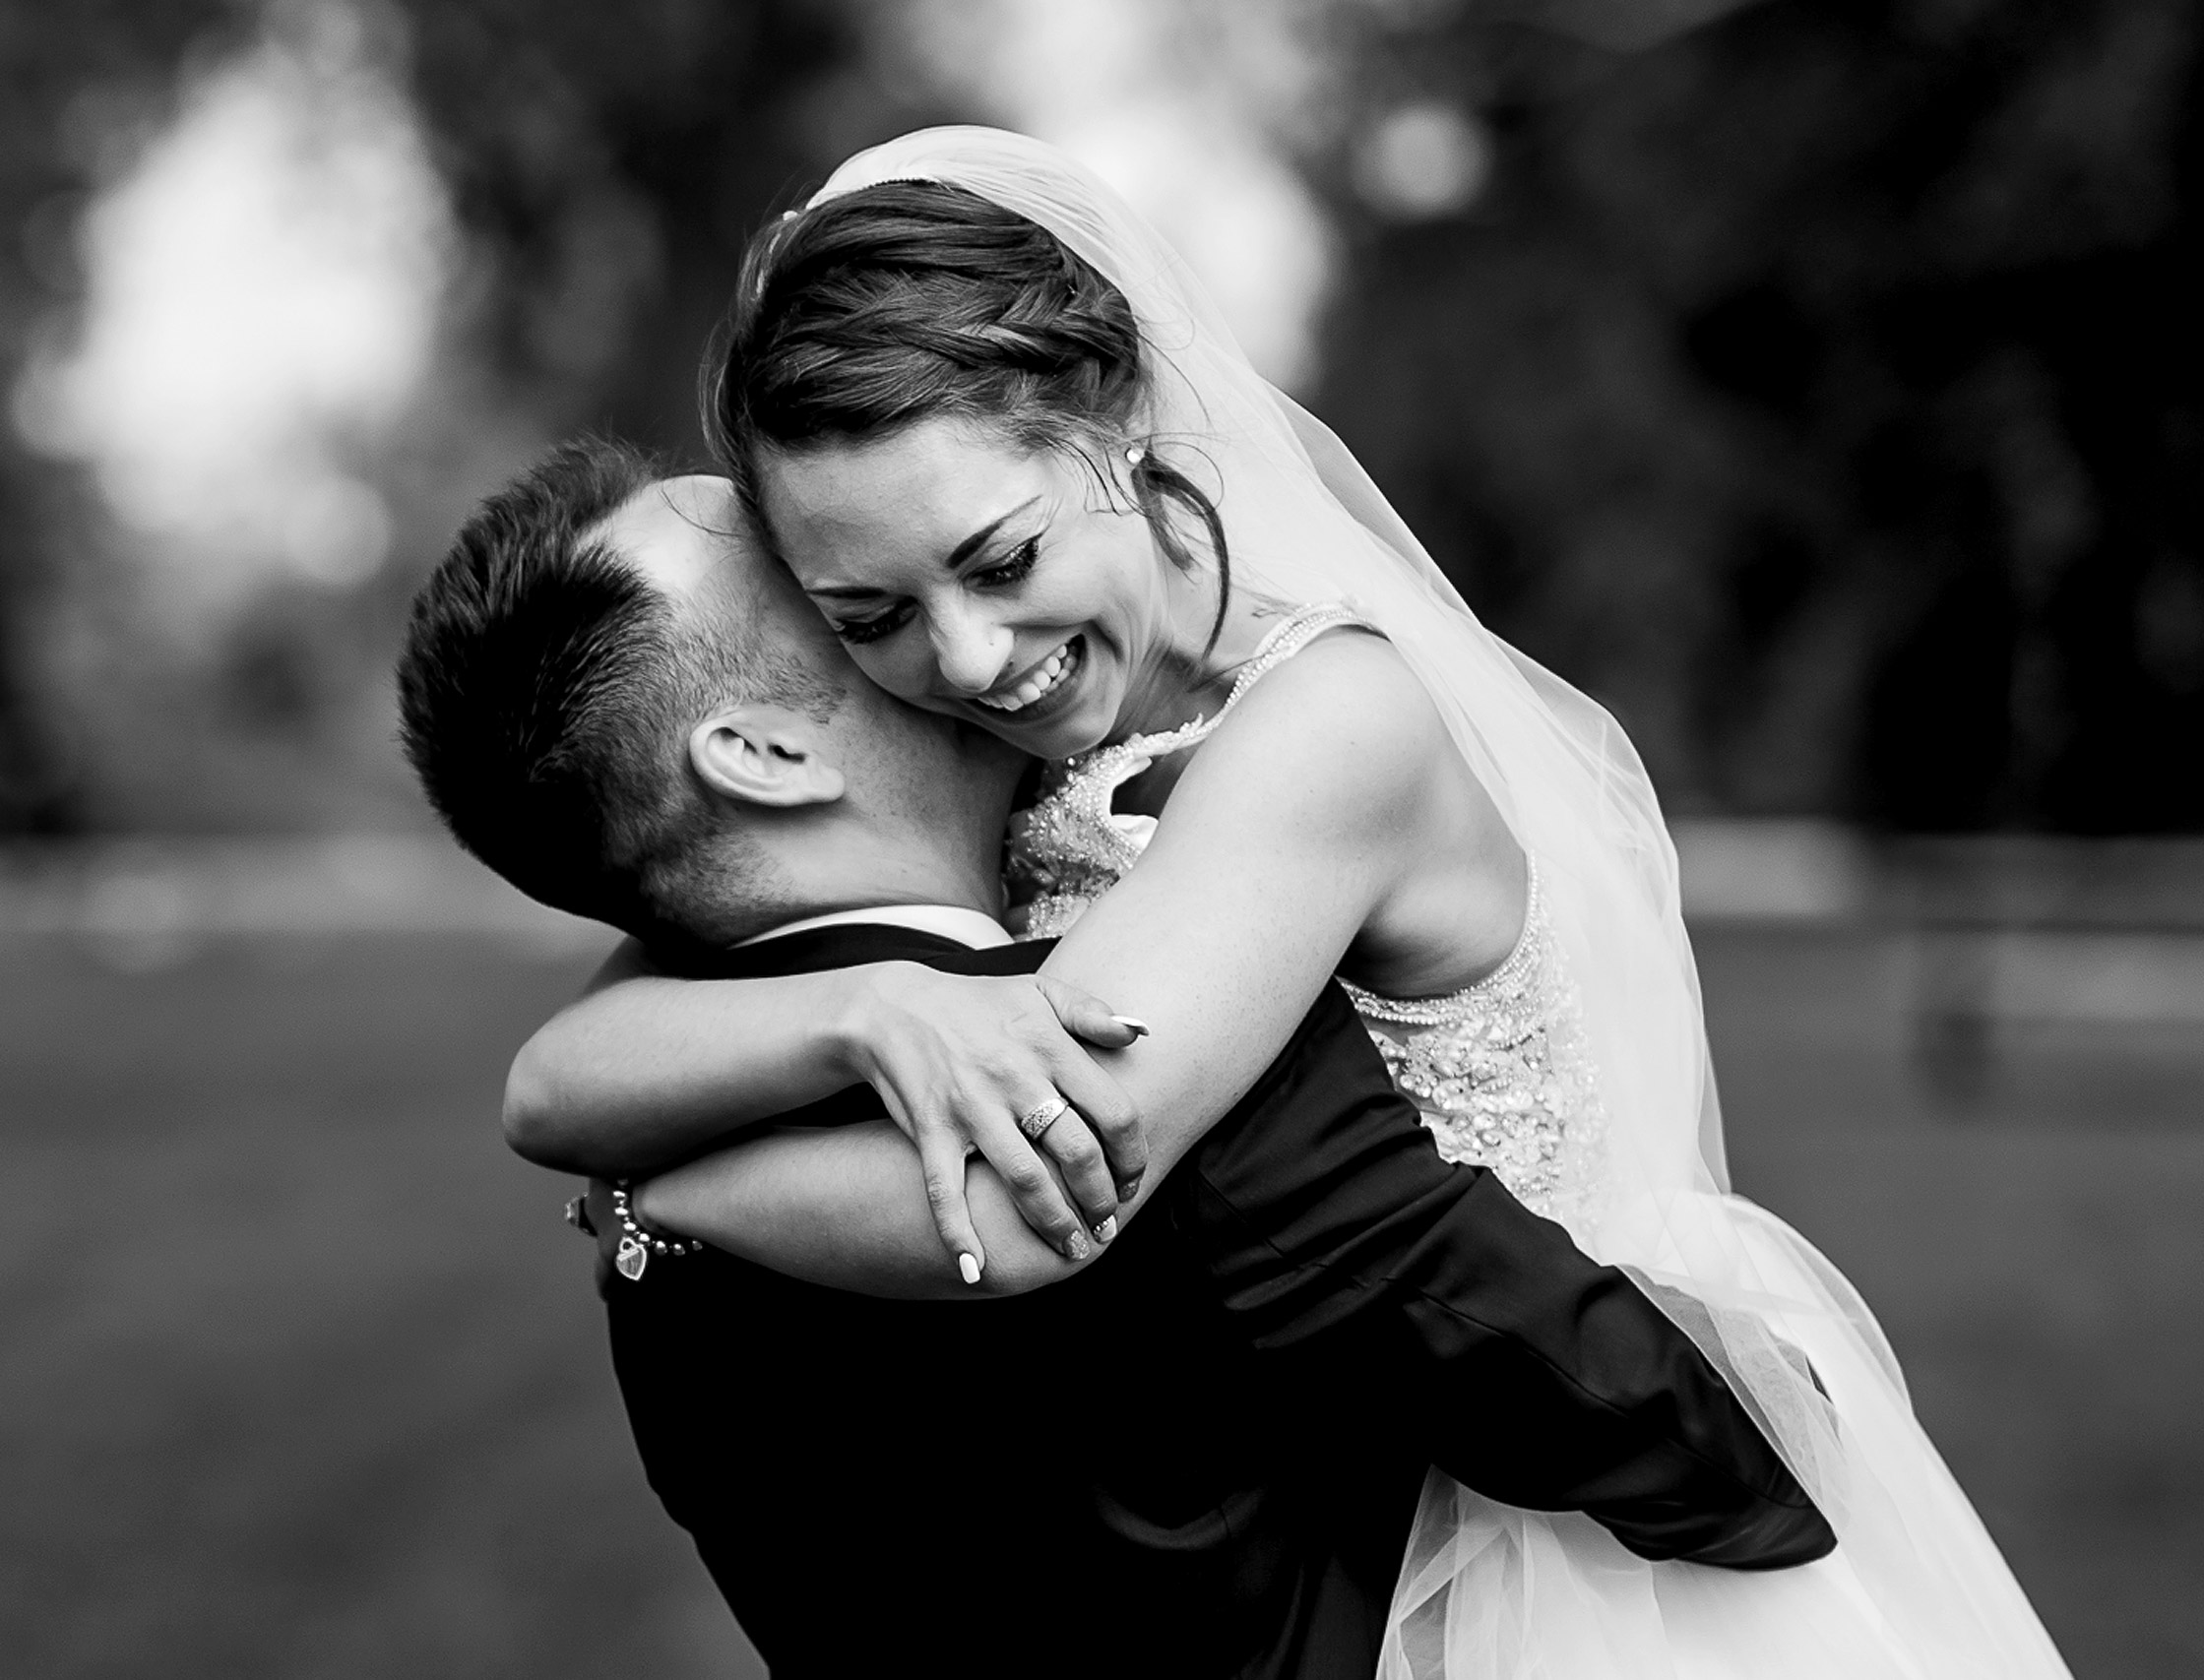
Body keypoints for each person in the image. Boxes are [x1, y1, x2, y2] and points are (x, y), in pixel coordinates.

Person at [499, 128, 2076, 1677]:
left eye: (1000, 558)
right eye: (870, 615)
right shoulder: (1000, 735)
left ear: (1115, 422)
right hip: (1327, 1498)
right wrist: (866, 1006)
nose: (967, 661)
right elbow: (563, 1072)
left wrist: (667, 1196)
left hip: (1548, 1484)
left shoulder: (1325, 728)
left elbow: (1040, 1201)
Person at [394, 455, 1831, 1679]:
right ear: (765, 752)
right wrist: (1789, 1386)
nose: (955, 638)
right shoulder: (1125, 1047)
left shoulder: (655, 1124)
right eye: (845, 596)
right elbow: (1666, 1429)